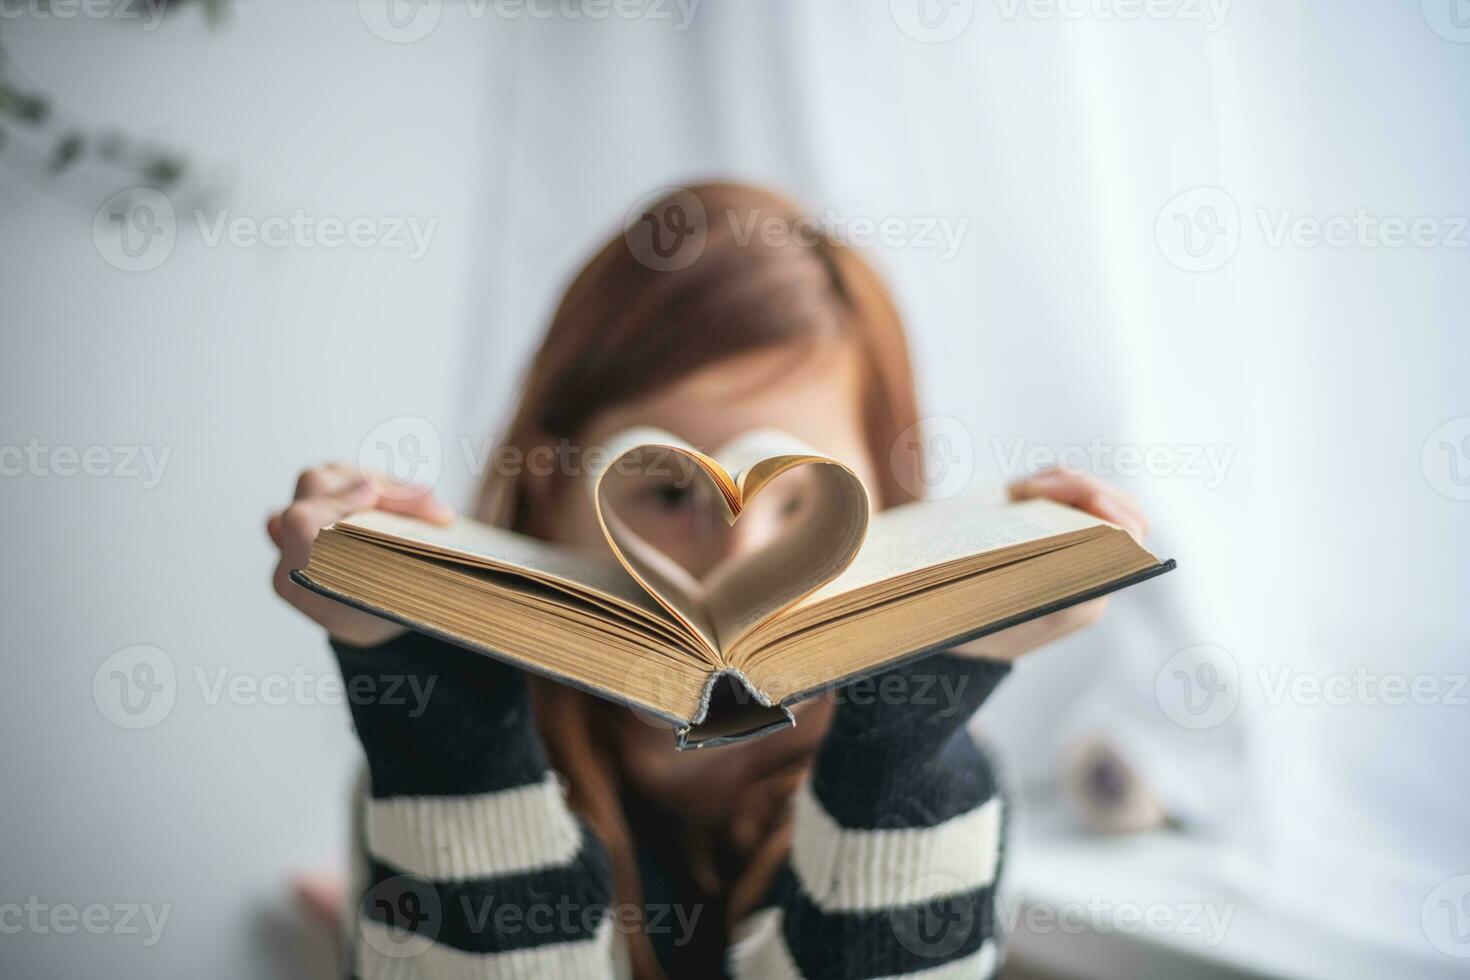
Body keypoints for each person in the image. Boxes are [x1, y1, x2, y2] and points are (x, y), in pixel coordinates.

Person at [267, 183, 1149, 979]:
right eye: (664, 491)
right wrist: (437, 710)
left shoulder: (940, 788)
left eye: (800, 504)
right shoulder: (428, 753)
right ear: (552, 484)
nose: (734, 567)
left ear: (878, 507)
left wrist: (919, 707)